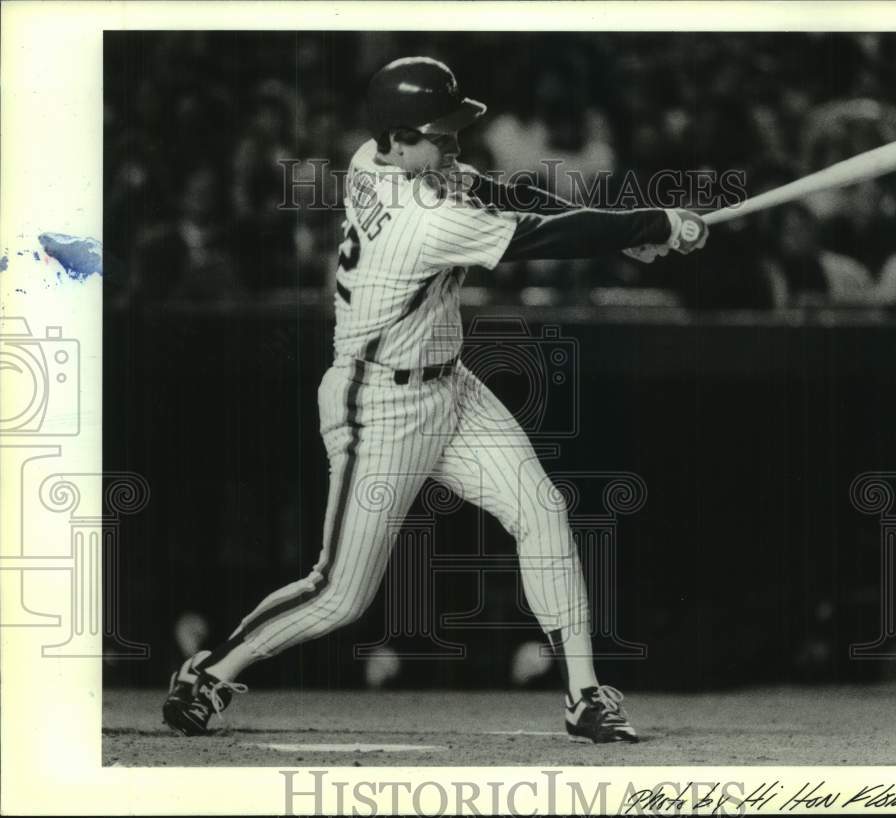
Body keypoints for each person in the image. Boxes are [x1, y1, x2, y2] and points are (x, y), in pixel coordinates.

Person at [163, 56, 708, 744]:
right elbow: (537, 240)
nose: (451, 142)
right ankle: (210, 675)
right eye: (436, 132)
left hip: (448, 383)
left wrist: (629, 231)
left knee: (541, 510)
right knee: (341, 594)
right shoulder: (416, 213)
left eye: (453, 129)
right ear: (394, 139)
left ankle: (583, 694)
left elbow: (504, 195)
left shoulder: (380, 157)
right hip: (378, 405)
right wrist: (649, 224)